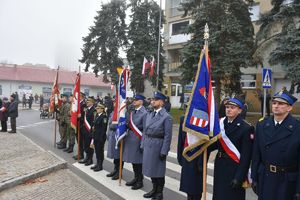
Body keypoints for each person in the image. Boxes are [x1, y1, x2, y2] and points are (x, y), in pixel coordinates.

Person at [251, 91, 300, 200]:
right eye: (274, 103)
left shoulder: (297, 128)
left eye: (281, 104)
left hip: (287, 182)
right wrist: (254, 177)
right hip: (266, 178)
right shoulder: (262, 125)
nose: (276, 106)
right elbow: (256, 154)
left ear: (289, 108)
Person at [210, 97, 254, 200]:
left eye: (232, 107)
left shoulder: (246, 128)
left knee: (232, 196)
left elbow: (246, 156)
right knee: (219, 195)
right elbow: (215, 144)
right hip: (220, 165)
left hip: (234, 168)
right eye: (227, 107)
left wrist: (240, 177)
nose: (229, 110)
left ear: (240, 110)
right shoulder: (220, 124)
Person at [141, 91, 173, 200]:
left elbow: (168, 136)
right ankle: (154, 189)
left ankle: (159, 192)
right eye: (152, 99)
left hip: (158, 145)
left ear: (162, 102)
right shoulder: (149, 114)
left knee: (158, 171)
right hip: (148, 144)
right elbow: (145, 131)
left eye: (155, 100)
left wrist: (164, 151)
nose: (152, 101)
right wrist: (142, 144)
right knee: (150, 169)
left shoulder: (166, 117)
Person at [123, 94, 147, 190]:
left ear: (141, 101)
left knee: (138, 162)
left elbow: (145, 129)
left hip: (138, 139)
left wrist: (143, 143)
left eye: (136, 100)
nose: (134, 101)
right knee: (134, 161)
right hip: (131, 138)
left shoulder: (144, 113)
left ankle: (140, 181)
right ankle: (136, 177)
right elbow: (128, 122)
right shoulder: (133, 111)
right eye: (134, 100)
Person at [177, 116, 203, 200]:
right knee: (187, 184)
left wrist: (202, 162)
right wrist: (179, 155)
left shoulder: (205, 118)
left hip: (198, 156)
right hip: (186, 154)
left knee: (196, 187)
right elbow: (181, 138)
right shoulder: (184, 118)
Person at [106, 101, 123, 180]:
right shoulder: (113, 112)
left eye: (116, 102)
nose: (114, 104)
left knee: (118, 154)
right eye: (114, 103)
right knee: (114, 154)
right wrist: (108, 134)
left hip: (118, 134)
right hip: (112, 134)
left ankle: (119, 172)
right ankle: (115, 169)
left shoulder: (122, 112)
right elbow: (109, 124)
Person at [90, 103, 108, 171]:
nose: (96, 110)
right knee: (97, 151)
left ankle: (100, 165)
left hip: (100, 137)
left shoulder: (104, 117)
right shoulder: (97, 115)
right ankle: (97, 163)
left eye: (98, 108)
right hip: (96, 136)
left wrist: (101, 138)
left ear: (102, 109)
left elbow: (104, 129)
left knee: (100, 151)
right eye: (96, 108)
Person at [79, 96, 96, 166]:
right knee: (85, 145)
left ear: (92, 102)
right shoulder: (87, 110)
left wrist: (92, 130)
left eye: (88, 102)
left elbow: (94, 121)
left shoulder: (94, 110)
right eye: (87, 101)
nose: (87, 103)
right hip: (85, 130)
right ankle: (86, 157)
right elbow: (83, 119)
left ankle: (90, 159)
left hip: (90, 131)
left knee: (90, 146)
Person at [73, 92, 86, 160]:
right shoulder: (78, 104)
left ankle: (81, 154)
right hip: (77, 124)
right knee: (78, 140)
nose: (78, 98)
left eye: (79, 96)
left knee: (80, 140)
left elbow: (83, 116)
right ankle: (79, 153)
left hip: (80, 125)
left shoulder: (83, 105)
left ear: (82, 97)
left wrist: (78, 118)